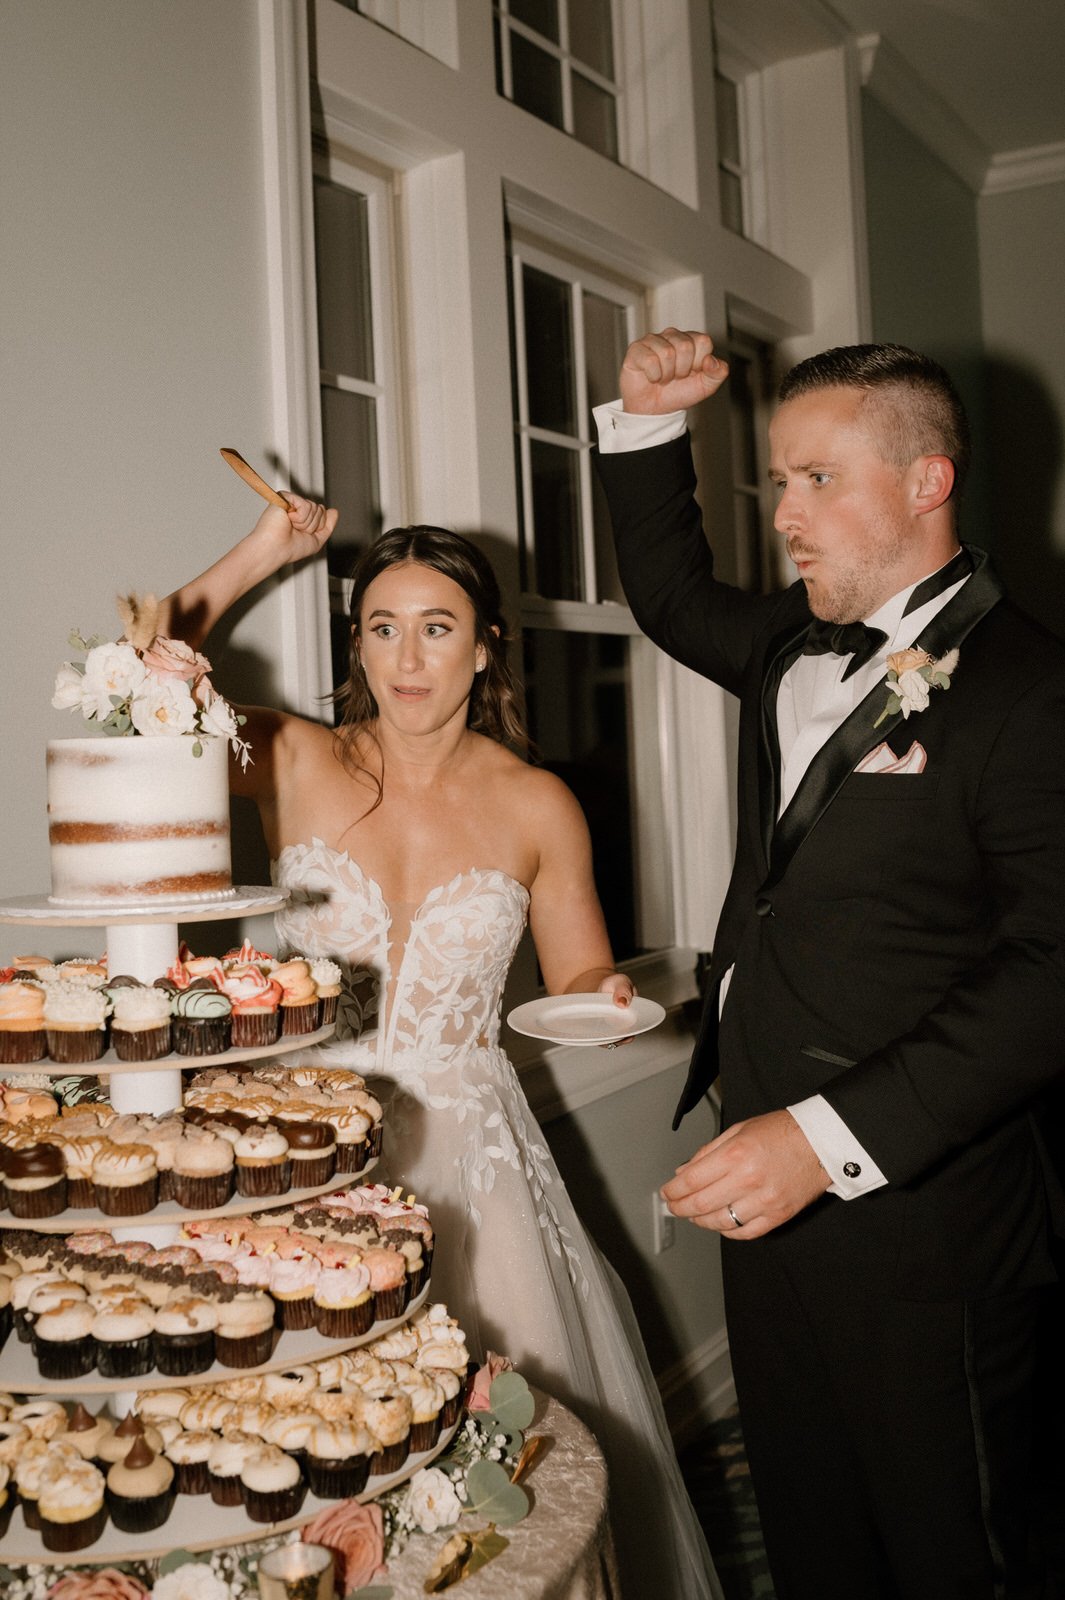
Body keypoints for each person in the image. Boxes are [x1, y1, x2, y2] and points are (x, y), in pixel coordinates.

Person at [160, 506, 722, 1600]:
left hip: (474, 1158)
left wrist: (601, 994)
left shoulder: (538, 803)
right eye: (381, 627)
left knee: (491, 1470)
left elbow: (575, 980)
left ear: (485, 644)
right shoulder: (293, 757)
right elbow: (146, 687)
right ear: (356, 643)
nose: (406, 658)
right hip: (305, 1149)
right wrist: (264, 552)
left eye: (435, 627)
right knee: (295, 1439)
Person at [593, 327, 1065, 1599]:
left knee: (955, 1539)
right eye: (777, 482)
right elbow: (671, 592)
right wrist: (645, 424)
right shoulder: (791, 646)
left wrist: (826, 1138)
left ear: (927, 482)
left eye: (819, 481)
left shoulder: (1034, 690)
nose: (786, 515)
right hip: (765, 1175)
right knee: (810, 1515)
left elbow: (1049, 975)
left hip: (927, 1214)